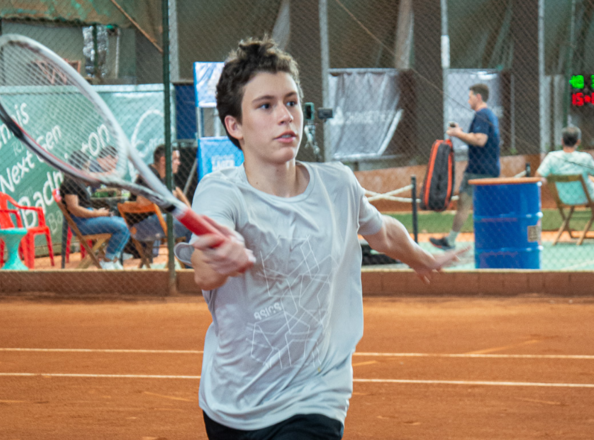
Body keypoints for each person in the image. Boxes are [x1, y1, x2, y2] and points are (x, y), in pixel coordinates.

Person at [174, 37, 466, 440]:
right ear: (234, 126)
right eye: (266, 105)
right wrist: (218, 260)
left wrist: (420, 257)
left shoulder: (338, 184)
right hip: (233, 405)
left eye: (292, 102)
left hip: (316, 396)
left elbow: (382, 231)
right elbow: (204, 268)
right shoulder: (219, 191)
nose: (285, 116)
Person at [430, 83, 501, 250]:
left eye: (470, 97)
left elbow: (480, 140)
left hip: (478, 171)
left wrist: (457, 133)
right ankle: (492, 239)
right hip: (488, 168)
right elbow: (477, 137)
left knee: (464, 204)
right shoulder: (489, 114)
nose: (468, 101)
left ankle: (451, 241)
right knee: (487, 206)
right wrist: (461, 133)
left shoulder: (482, 114)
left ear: (478, 97)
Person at [535, 126, 594, 238]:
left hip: (563, 197)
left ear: (562, 141)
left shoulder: (552, 157)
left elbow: (538, 176)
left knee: (593, 188)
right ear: (578, 142)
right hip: (586, 196)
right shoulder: (585, 157)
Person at [59, 151, 130, 270]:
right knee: (122, 227)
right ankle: (107, 261)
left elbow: (93, 179)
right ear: (78, 167)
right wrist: (97, 213)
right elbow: (75, 209)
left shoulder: (78, 180)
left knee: (125, 224)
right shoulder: (70, 182)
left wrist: (97, 212)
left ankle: (113, 259)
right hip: (82, 223)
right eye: (86, 167)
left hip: (89, 218)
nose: (88, 171)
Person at [128, 146, 193, 258]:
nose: (179, 163)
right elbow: (141, 201)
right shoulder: (149, 174)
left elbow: (177, 191)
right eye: (175, 159)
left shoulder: (165, 176)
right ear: (163, 160)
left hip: (154, 221)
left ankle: (190, 264)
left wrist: (191, 213)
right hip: (140, 225)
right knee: (191, 226)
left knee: (192, 221)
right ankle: (190, 266)